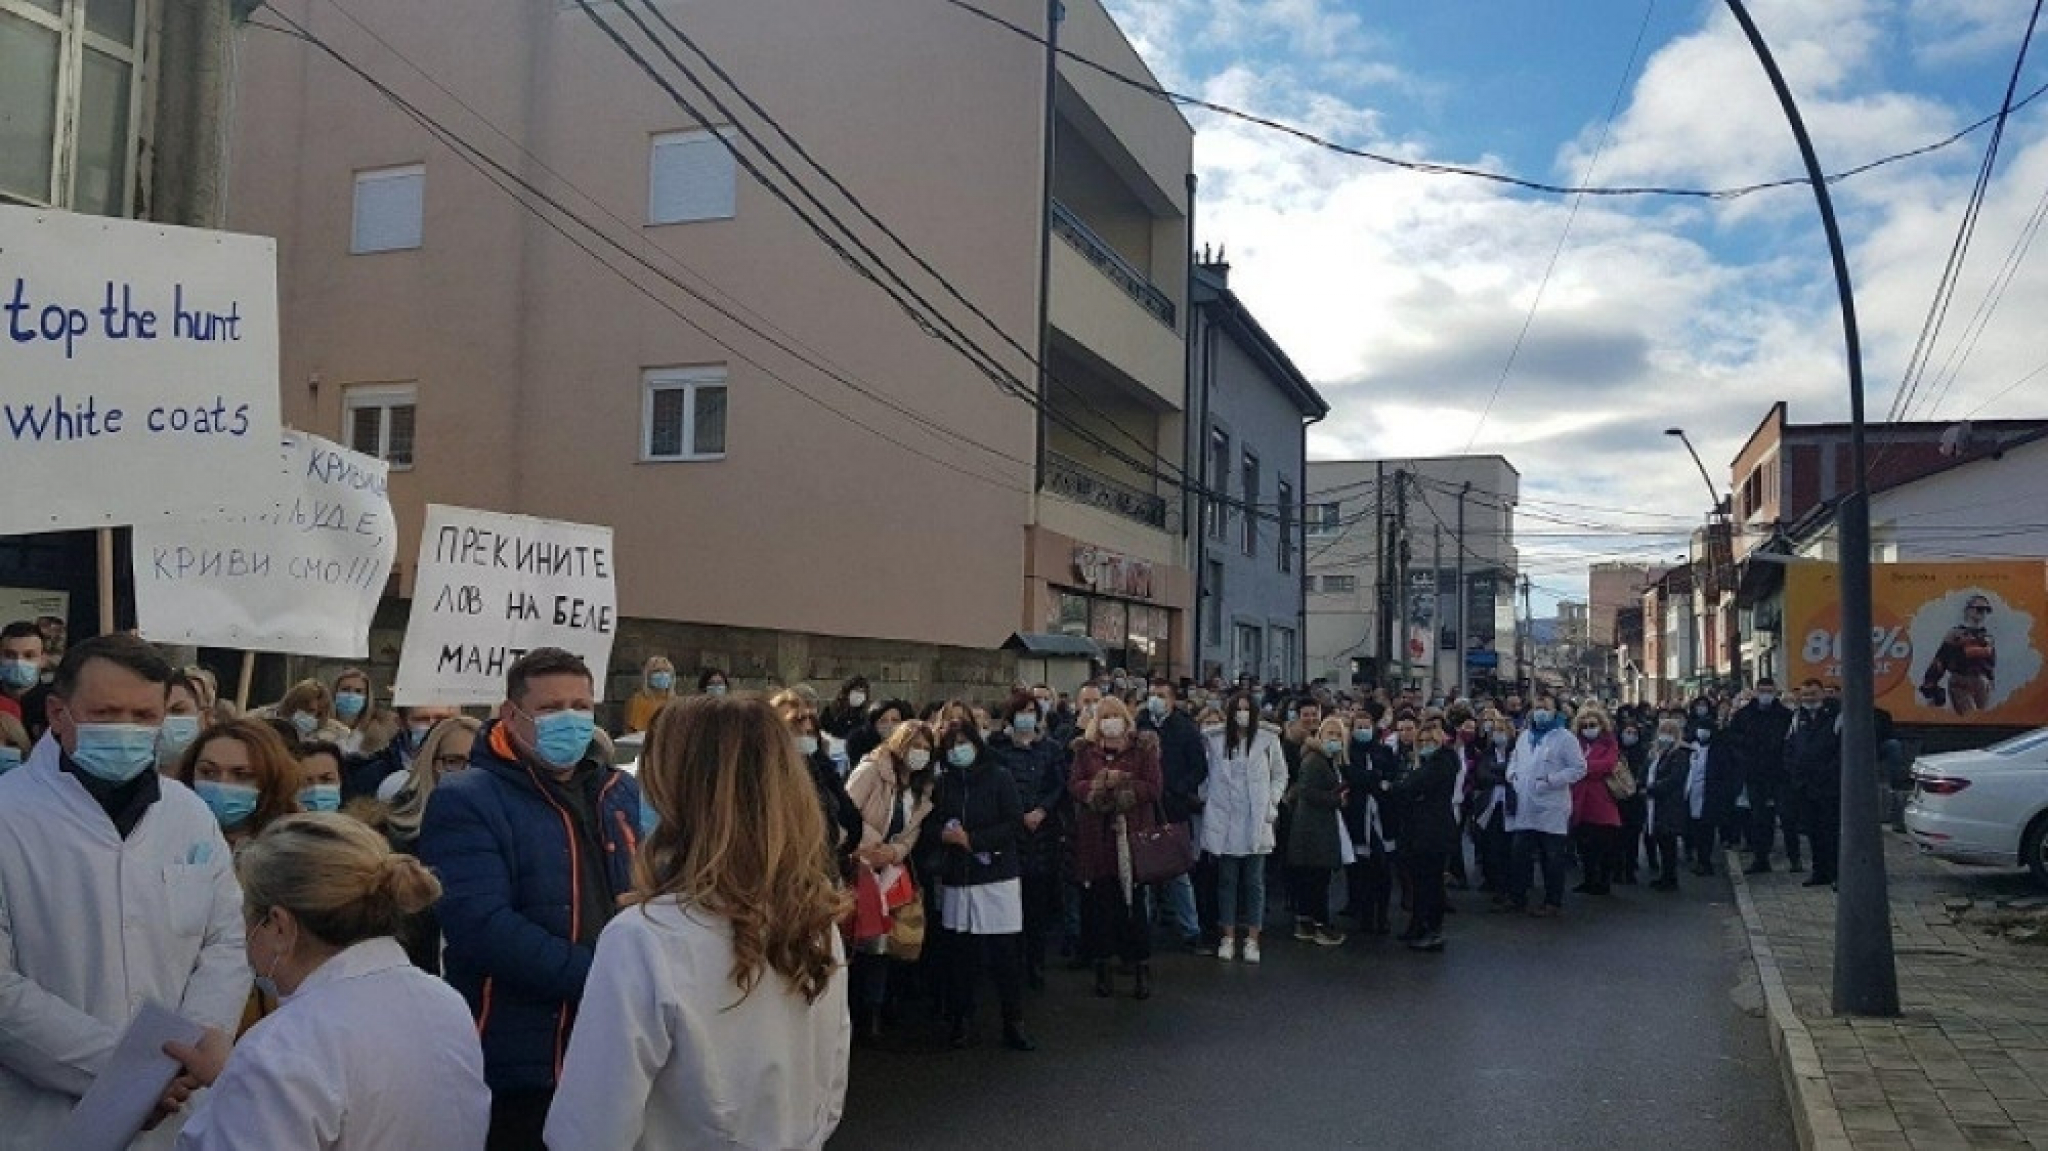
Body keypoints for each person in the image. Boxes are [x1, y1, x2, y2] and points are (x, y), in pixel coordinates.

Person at [544, 698, 849, 1150]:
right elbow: (829, 1090)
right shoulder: (815, 919)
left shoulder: (642, 941)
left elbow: (589, 1132)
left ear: (677, 793)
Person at [0, 634, 249, 1147]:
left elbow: (225, 940)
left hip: (176, 1109)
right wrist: (124, 1070)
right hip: (42, 1117)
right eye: (107, 712)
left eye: (144, 715)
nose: (127, 730)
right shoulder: (9, 814)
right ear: (57, 712)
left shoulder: (189, 815)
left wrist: (193, 1044)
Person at [417, 647, 643, 1151]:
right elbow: (480, 925)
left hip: (612, 1048)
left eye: (582, 706)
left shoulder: (618, 793)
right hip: (517, 1059)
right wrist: (601, 977)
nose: (570, 719)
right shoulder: (467, 798)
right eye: (550, 708)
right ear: (510, 715)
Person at [163, 814, 490, 1149]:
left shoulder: (282, 1047)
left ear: (278, 925)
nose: (245, 934)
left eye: (247, 916)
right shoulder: (444, 1002)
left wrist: (236, 1086)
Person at [923, 719, 1033, 1051]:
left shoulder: (999, 777)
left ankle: (1013, 1022)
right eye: (951, 745)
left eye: (963, 742)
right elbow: (928, 823)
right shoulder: (942, 785)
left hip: (996, 874)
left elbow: (1014, 823)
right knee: (962, 956)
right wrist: (943, 835)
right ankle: (961, 1020)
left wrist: (973, 840)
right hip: (960, 876)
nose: (958, 750)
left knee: (1004, 955)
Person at [841, 719, 937, 1042]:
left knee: (885, 940)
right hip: (858, 862)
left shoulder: (921, 788)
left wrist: (894, 852)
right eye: (915, 746)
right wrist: (872, 846)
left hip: (891, 868)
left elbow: (912, 833)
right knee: (857, 935)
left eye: (926, 749)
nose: (920, 754)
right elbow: (846, 811)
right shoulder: (871, 770)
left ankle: (875, 1011)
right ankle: (850, 1009)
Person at [1067, 696, 1163, 999]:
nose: (1110, 721)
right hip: (1097, 841)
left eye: (1115, 715)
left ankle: (1140, 968)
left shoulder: (1142, 749)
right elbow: (1075, 785)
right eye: (1104, 716)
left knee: (1135, 910)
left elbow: (1153, 787)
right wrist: (1098, 787)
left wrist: (1122, 787)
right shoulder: (1086, 751)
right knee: (1100, 908)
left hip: (1130, 839)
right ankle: (1103, 969)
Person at [985, 691, 1067, 988]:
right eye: (1021, 711)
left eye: (1032, 711)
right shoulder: (997, 748)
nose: (1027, 716)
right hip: (1010, 835)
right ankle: (1011, 963)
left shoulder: (1051, 748)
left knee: (1037, 905)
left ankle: (1036, 962)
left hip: (1042, 835)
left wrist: (1042, 810)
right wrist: (1017, 813)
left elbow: (1059, 784)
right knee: (1010, 903)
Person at [1201, 692, 1287, 962]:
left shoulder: (1267, 739)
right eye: (1237, 709)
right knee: (1227, 881)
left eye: (1246, 709)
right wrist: (1207, 800)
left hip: (1255, 818)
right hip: (1225, 820)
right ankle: (1227, 936)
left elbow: (1280, 774)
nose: (1241, 714)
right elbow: (1205, 775)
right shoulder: (1214, 741)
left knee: (1254, 882)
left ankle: (1252, 939)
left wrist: (1272, 802)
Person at [1502, 694, 1587, 917]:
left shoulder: (1565, 738)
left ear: (1555, 711)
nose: (1540, 711)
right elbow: (1515, 759)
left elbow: (1579, 768)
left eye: (1545, 707)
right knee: (1519, 854)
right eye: (1537, 707)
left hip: (1551, 806)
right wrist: (1511, 774)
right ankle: (1517, 897)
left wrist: (1552, 780)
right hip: (1525, 804)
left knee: (1552, 857)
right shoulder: (1525, 736)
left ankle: (1553, 902)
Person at [1140, 678, 1208, 953]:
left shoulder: (1185, 729)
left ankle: (1191, 930)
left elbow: (1199, 768)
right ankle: (1142, 929)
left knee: (1178, 872)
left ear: (1172, 700)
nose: (1155, 699)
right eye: (1152, 694)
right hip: (1145, 807)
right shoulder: (1140, 724)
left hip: (1173, 807)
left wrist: (1178, 789)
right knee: (1142, 871)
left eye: (1161, 695)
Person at [768, 690, 862, 876]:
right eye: (793, 728)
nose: (803, 736)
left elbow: (850, 820)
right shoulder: (767, 777)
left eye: (809, 732)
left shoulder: (822, 769)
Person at [180, 718, 306, 851]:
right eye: (208, 772)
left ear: (270, 780)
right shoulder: (166, 831)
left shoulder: (296, 847)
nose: (222, 784)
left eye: (242, 775)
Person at [1284, 717, 1350, 947]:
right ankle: (1319, 924)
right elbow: (1306, 791)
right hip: (1313, 826)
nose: (1334, 739)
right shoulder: (1315, 760)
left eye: (1338, 735)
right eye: (1330, 734)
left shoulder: (1325, 759)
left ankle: (1307, 922)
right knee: (1317, 878)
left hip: (1315, 825)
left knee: (1312, 878)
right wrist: (1336, 799)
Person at [1397, 719, 1460, 952]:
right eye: (1421, 742)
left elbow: (1410, 786)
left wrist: (1401, 788)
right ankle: (1417, 926)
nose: (1425, 745)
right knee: (1420, 882)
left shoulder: (1442, 762)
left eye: (1430, 741)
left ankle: (1432, 930)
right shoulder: (1427, 763)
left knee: (1430, 884)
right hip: (1420, 830)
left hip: (1434, 831)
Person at [1730, 677, 1797, 874]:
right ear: (1756, 692)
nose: (1766, 695)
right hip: (1755, 774)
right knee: (1760, 819)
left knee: (1787, 817)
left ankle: (1795, 859)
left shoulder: (1785, 715)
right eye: (1762, 691)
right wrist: (1746, 758)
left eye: (1769, 690)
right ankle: (1761, 859)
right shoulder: (1744, 715)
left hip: (1780, 774)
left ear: (1775, 692)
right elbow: (1733, 739)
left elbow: (1792, 741)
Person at [339, 703, 462, 802]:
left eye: (442, 719)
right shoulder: (370, 776)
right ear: (401, 723)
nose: (433, 726)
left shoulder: (471, 771)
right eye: (422, 719)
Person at [1786, 679, 1843, 888]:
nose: (1809, 698)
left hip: (1829, 786)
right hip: (1805, 786)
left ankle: (1837, 874)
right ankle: (1820, 872)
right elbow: (1790, 747)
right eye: (1805, 694)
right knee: (1813, 831)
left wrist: (1828, 773)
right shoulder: (1797, 717)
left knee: (1831, 832)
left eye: (1813, 693)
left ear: (1822, 694)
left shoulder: (1836, 715)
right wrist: (1794, 772)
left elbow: (1842, 749)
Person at [1569, 705, 1623, 897]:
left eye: (1593, 724)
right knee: (1585, 846)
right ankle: (1589, 879)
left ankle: (1604, 881)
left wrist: (1583, 768)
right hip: (1580, 799)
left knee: (1605, 844)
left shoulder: (1609, 743)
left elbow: (1607, 765)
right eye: (1584, 725)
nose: (1588, 728)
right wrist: (1586, 768)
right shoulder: (1576, 743)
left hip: (1602, 799)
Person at [1919, 594, 1996, 716]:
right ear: (1968, 610)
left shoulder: (1988, 637)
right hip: (1961, 681)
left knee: (1981, 719)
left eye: (1986, 610)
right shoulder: (1955, 634)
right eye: (1979, 609)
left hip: (1981, 683)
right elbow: (1940, 660)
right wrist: (1930, 684)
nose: (1983, 613)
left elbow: (1990, 663)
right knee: (1970, 716)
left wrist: (1990, 680)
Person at [1643, 717, 1691, 890]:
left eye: (1670, 732)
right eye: (1664, 732)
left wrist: (1653, 788)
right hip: (1655, 804)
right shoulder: (1657, 753)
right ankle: (1665, 875)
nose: (1666, 736)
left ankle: (1670, 878)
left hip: (1669, 803)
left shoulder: (1680, 754)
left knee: (1668, 842)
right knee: (1661, 842)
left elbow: (1675, 779)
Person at [0, 620, 51, 738]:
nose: (18, 662)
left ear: (43, 660)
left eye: (29, 655)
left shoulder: (54, 703)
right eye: (9, 655)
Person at [158, 670, 211, 777]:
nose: (165, 721)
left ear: (203, 717)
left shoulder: (218, 777)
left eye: (177, 710)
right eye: (155, 713)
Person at [268, 679, 351, 745]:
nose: (309, 716)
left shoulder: (339, 734)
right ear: (292, 705)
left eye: (315, 712)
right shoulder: (267, 727)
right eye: (304, 709)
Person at [845, 697, 912, 768]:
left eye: (895, 720)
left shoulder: (908, 744)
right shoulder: (858, 743)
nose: (889, 725)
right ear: (873, 724)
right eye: (883, 721)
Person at [328, 667, 379, 756]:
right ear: (335, 692)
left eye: (358, 691)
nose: (351, 695)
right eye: (345, 689)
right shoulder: (321, 729)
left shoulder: (375, 734)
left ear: (366, 698)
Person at [625, 657, 678, 735]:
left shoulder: (676, 701)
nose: (662, 674)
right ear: (647, 676)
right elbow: (630, 732)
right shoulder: (637, 700)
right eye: (657, 671)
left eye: (666, 671)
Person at [296, 740, 346, 814]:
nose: (316, 788)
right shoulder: (278, 824)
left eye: (326, 779)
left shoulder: (359, 824)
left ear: (340, 780)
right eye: (306, 781)